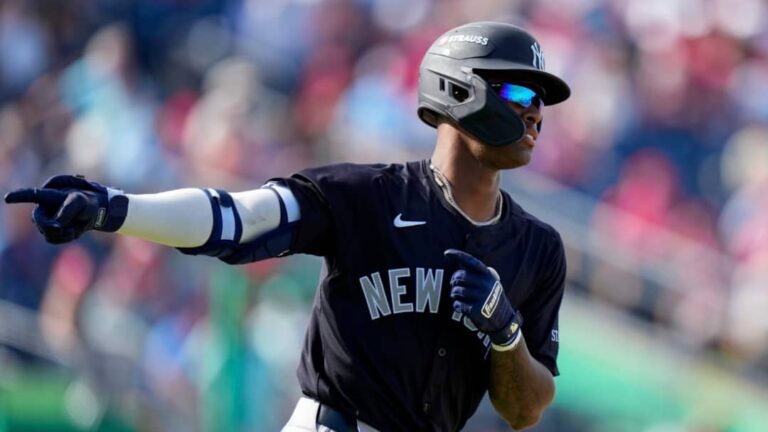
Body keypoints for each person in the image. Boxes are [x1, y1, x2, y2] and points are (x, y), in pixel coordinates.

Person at [5, 21, 570, 431]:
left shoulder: (538, 248)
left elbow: (526, 410)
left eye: (543, 98)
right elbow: (238, 219)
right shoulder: (365, 196)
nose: (536, 111)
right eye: (520, 91)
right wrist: (116, 208)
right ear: (455, 88)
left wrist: (506, 334)